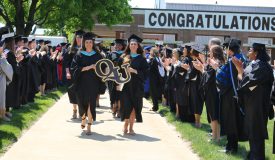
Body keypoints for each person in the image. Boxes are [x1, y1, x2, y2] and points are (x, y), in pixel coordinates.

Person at [232, 43, 274, 159]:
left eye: (250, 50)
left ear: (256, 53)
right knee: (251, 129)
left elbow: (248, 82)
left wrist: (240, 71)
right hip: (252, 104)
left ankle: (257, 156)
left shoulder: (262, 67)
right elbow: (246, 79)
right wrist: (241, 70)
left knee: (256, 130)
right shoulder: (254, 64)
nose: (248, 51)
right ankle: (253, 154)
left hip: (258, 105)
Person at [71, 32, 105, 135]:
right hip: (81, 83)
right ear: (84, 43)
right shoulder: (79, 54)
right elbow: (74, 68)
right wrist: (88, 67)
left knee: (91, 104)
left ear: (93, 43)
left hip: (93, 83)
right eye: (87, 42)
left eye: (90, 42)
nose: (89, 44)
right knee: (82, 104)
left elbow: (103, 69)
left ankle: (89, 126)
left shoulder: (98, 55)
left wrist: (99, 69)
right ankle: (83, 118)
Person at [216, 38, 247, 153]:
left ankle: (231, 147)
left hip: (230, 95)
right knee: (235, 121)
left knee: (230, 121)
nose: (226, 51)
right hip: (238, 95)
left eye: (227, 48)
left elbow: (221, 77)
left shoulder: (232, 60)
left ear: (230, 49)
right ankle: (232, 146)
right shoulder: (241, 58)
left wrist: (216, 68)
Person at [193, 45, 224, 142]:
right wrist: (202, 66)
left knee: (213, 115)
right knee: (212, 115)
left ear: (214, 52)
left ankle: (216, 137)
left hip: (213, 92)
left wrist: (201, 69)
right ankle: (215, 136)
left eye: (210, 51)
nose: (209, 53)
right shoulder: (217, 62)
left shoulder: (216, 62)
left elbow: (208, 76)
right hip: (212, 91)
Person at [120, 34, 149, 135]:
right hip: (126, 86)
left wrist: (135, 71)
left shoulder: (142, 59)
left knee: (134, 108)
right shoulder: (123, 57)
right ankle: (125, 125)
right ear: (129, 45)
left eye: (134, 44)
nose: (133, 45)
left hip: (137, 86)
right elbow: (118, 71)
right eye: (131, 44)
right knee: (126, 106)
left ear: (137, 46)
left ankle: (131, 127)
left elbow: (146, 73)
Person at [64, 29, 84, 119]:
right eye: (77, 38)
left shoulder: (85, 49)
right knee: (73, 92)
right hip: (72, 74)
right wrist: (68, 73)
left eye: (80, 38)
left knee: (81, 93)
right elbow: (66, 63)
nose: (79, 39)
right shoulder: (70, 49)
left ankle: (81, 111)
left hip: (82, 74)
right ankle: (74, 110)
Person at [107, 39, 127, 118]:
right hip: (112, 76)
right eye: (116, 45)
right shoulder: (110, 54)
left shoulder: (125, 55)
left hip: (121, 76)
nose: (117, 46)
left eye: (119, 45)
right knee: (112, 93)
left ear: (122, 46)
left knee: (120, 93)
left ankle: (119, 109)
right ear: (114, 46)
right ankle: (113, 108)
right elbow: (106, 64)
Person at [0, 29, 13, 121]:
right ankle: (2, 115)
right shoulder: (1, 58)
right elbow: (8, 69)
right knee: (1, 97)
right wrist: (4, 58)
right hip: (1, 79)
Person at [149, 46, 165, 111]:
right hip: (159, 77)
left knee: (153, 93)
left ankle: (155, 107)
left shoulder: (153, 59)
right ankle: (156, 106)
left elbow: (150, 68)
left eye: (151, 51)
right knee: (155, 92)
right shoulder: (158, 58)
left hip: (153, 78)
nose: (150, 52)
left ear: (152, 52)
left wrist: (149, 60)